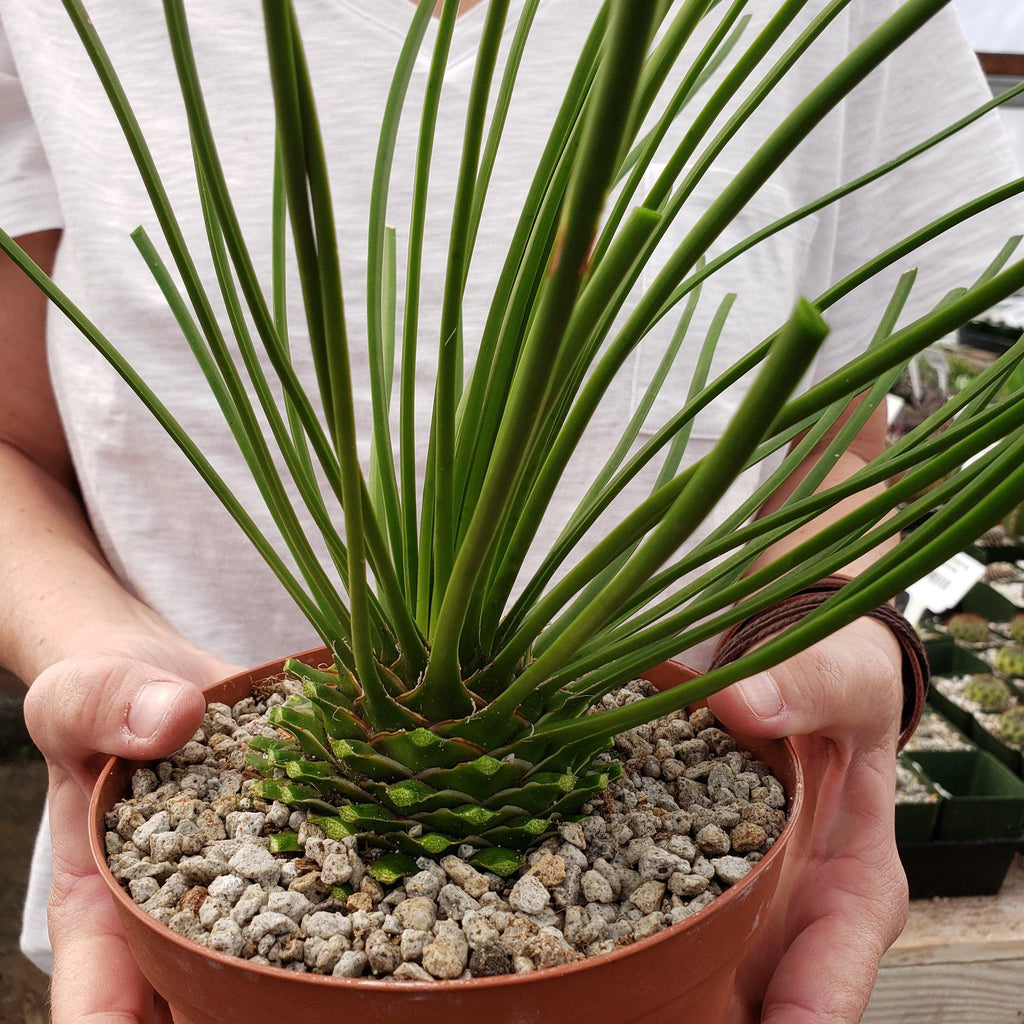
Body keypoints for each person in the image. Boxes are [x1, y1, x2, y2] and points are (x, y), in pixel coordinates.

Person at [0, 1, 1019, 1021]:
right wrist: (97, 648)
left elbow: (828, 438)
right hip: (183, 861)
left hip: (675, 818)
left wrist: (813, 631)